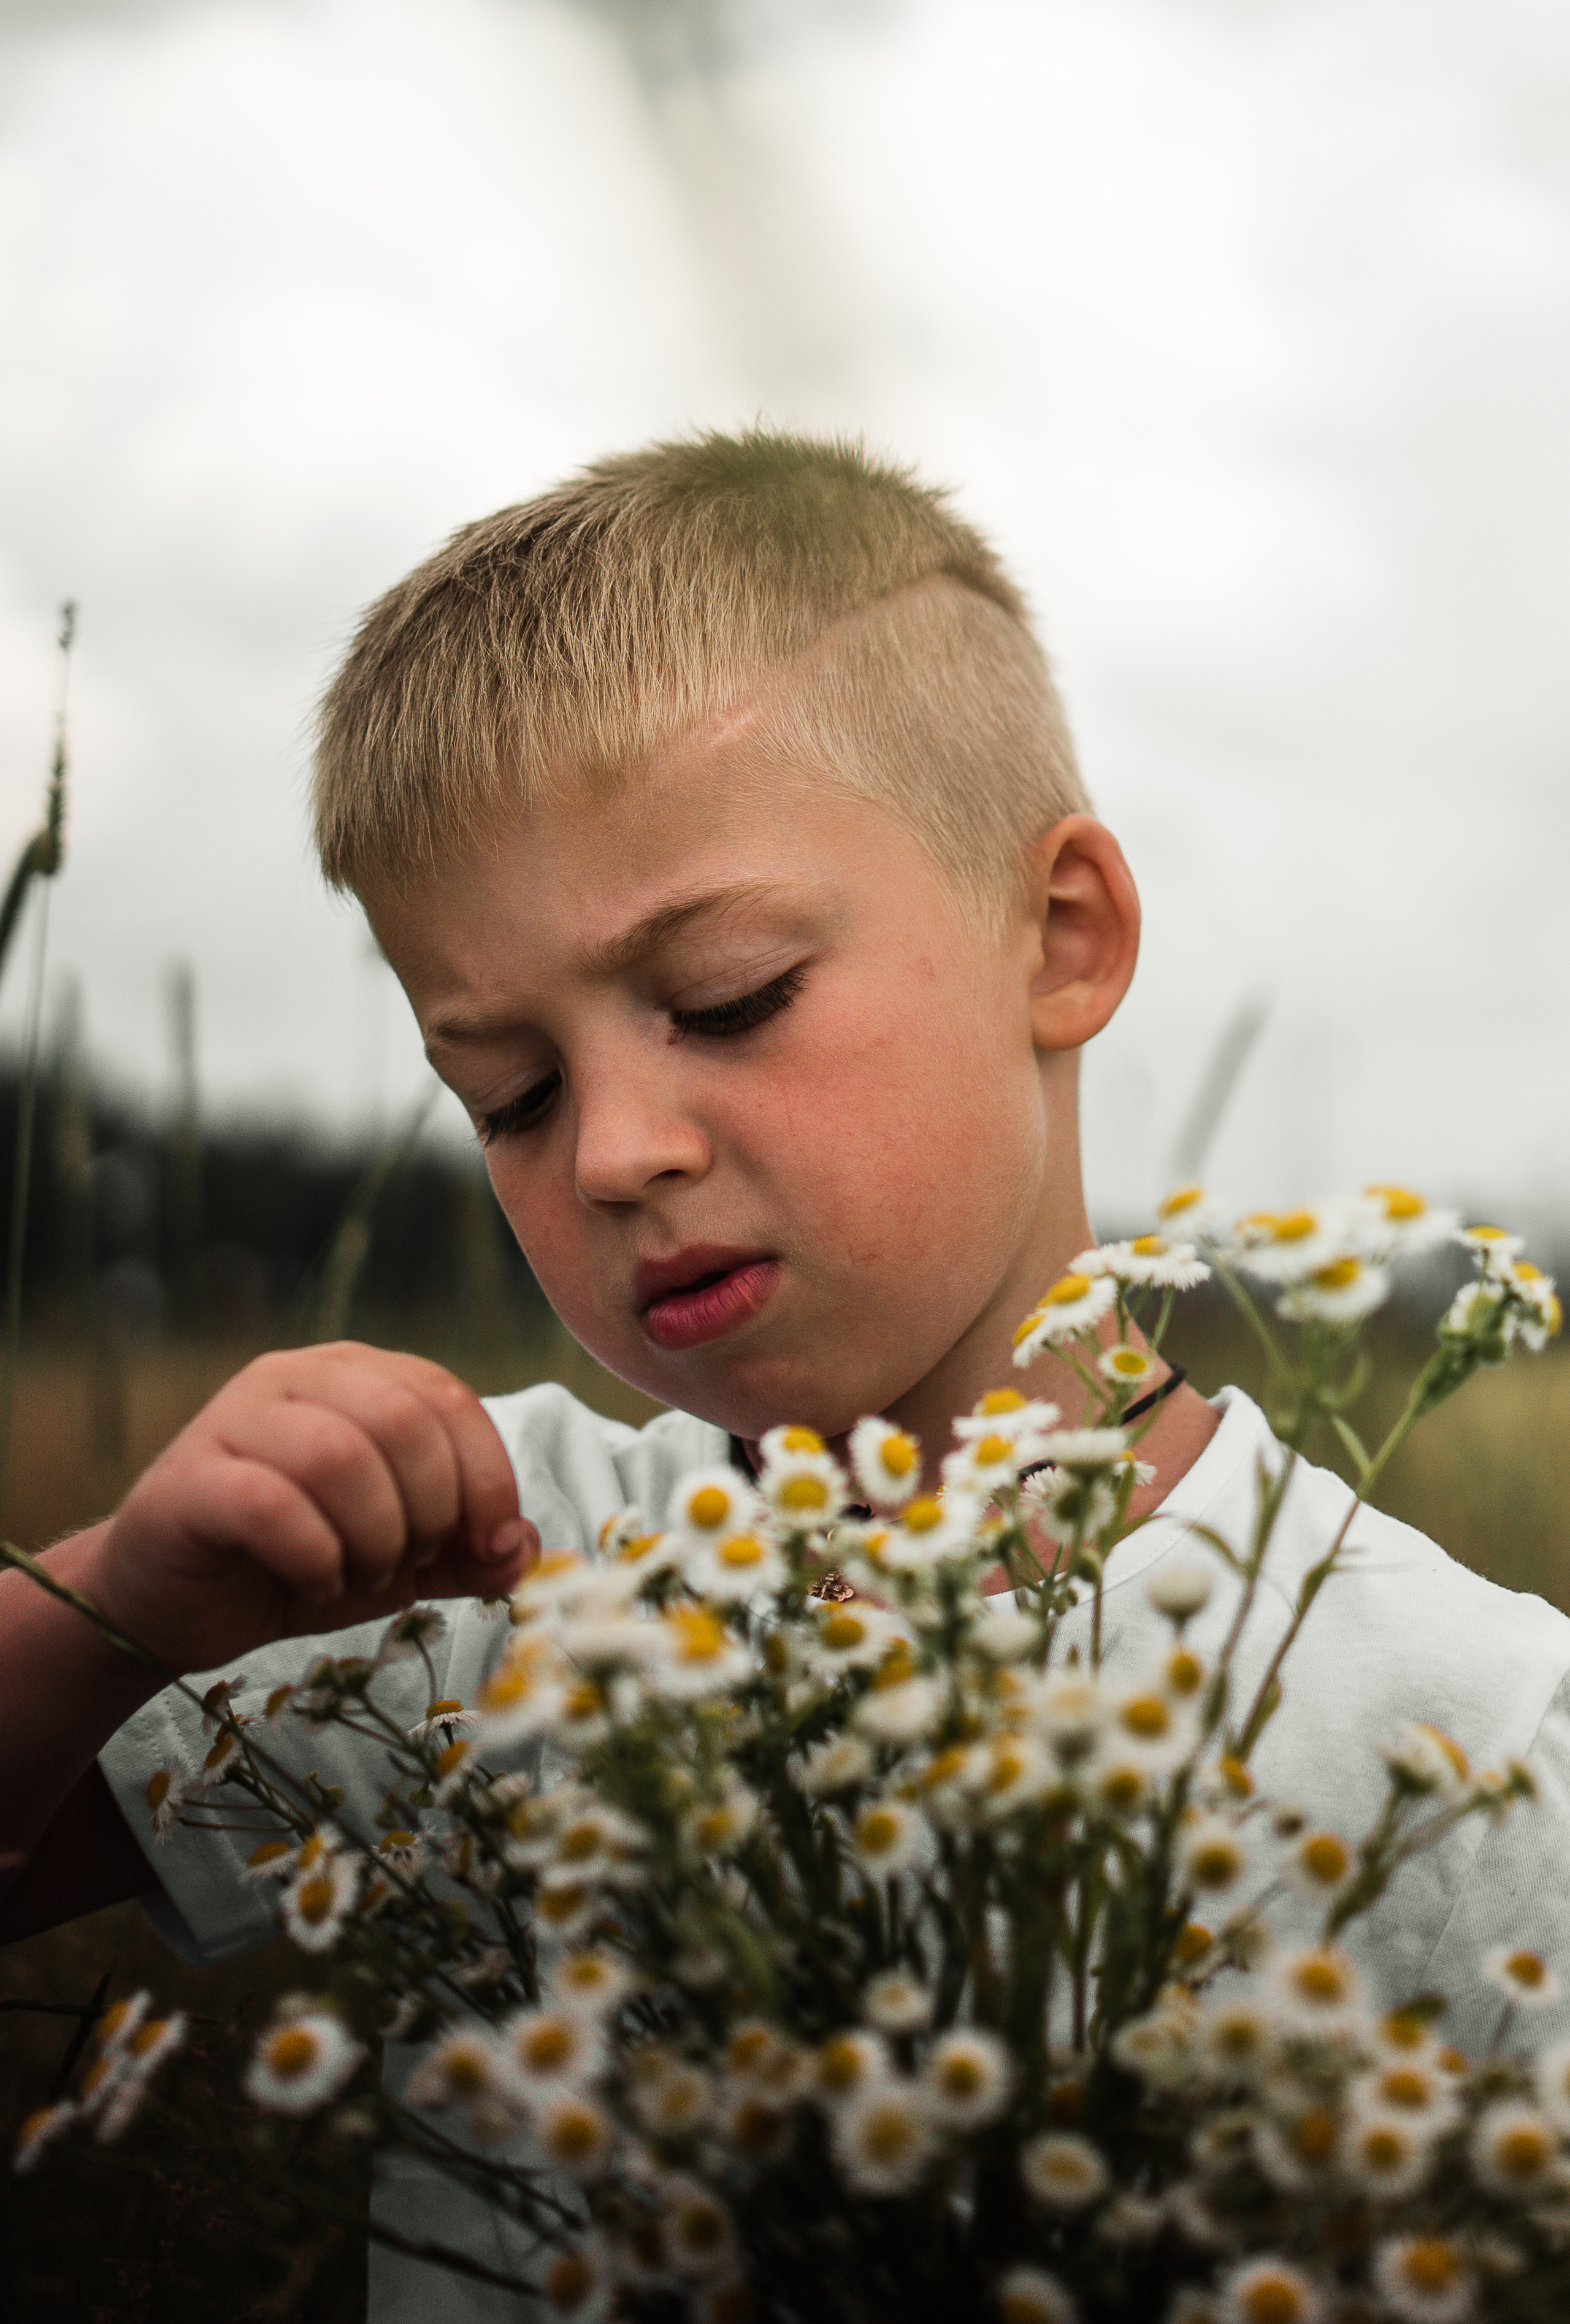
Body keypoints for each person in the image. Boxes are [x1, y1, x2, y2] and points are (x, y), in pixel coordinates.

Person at [3, 431, 1568, 2319]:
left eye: (729, 995)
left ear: (1058, 942)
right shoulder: (485, 1584)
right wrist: (123, 1608)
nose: (611, 1152)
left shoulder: (1477, 1740)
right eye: (508, 1094)